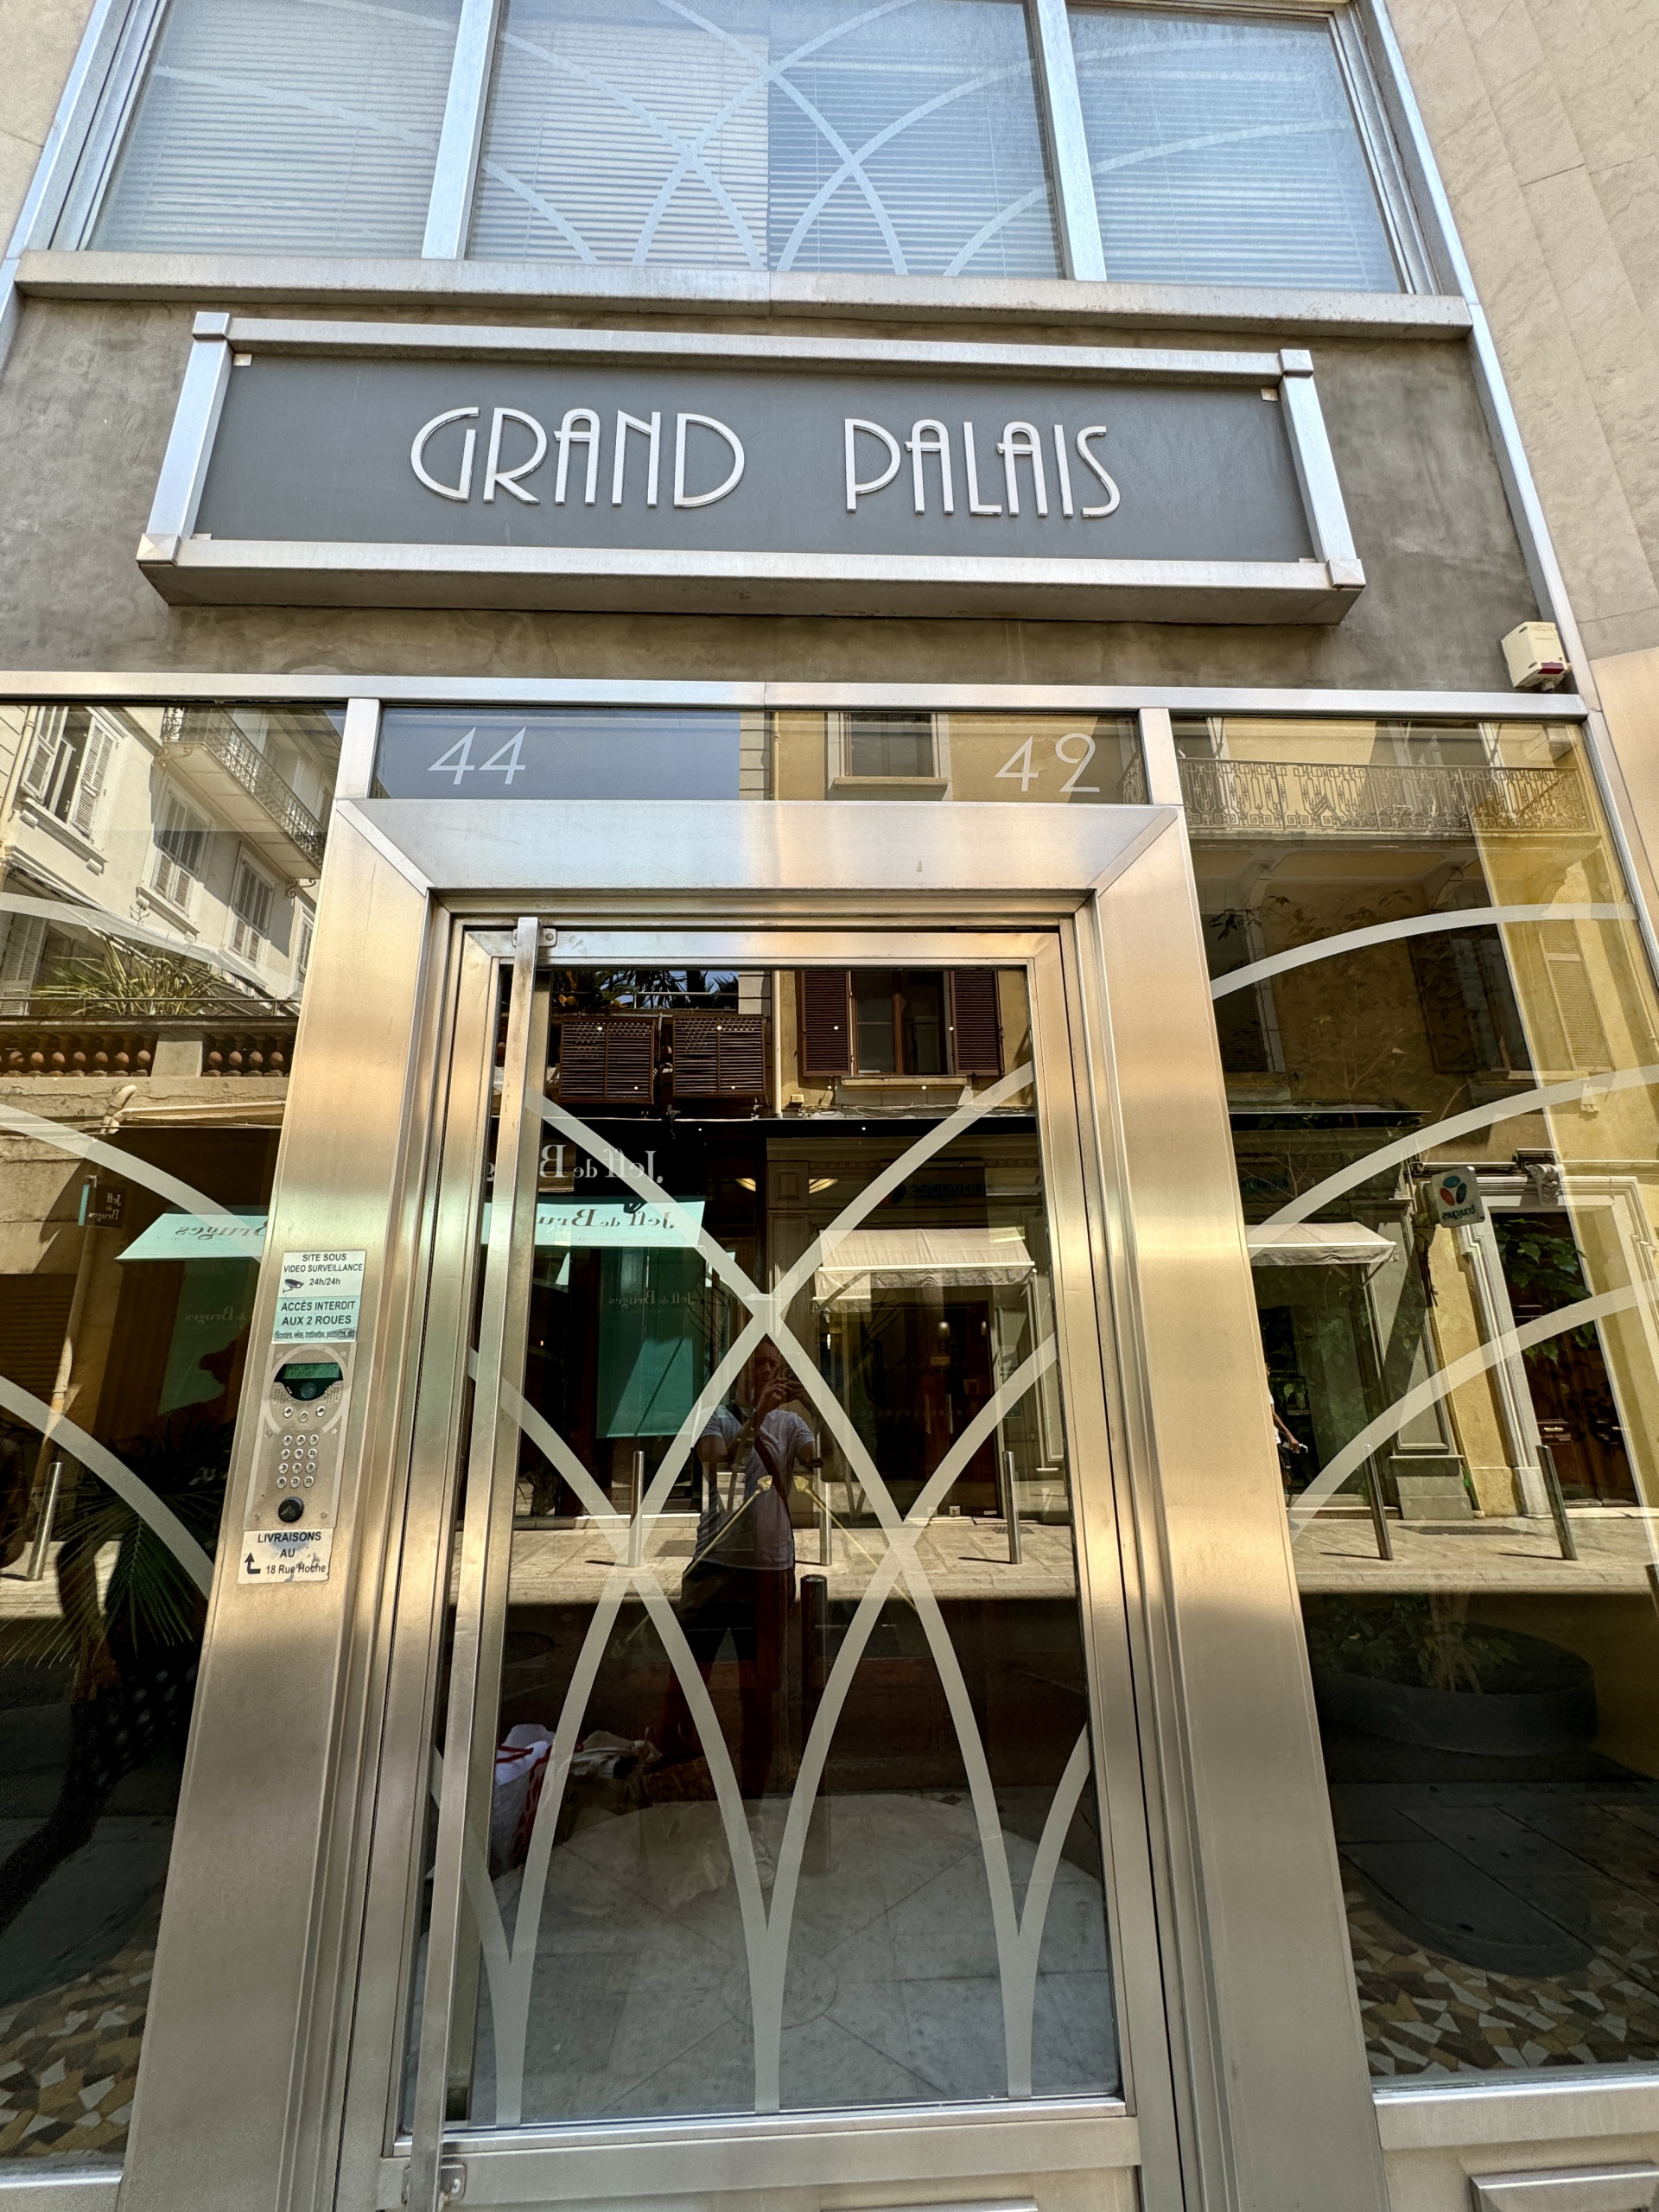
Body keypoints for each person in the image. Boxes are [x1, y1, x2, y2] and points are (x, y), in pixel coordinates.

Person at [652, 1342, 815, 1851]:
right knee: (687, 1680)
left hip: (768, 1568)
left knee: (760, 1693)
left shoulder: (790, 1424)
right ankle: (677, 1784)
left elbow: (819, 1461)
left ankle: (752, 1810)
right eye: (756, 1364)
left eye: (772, 1366)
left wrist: (815, 1405)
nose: (764, 1372)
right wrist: (756, 1418)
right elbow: (717, 1470)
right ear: (739, 1371)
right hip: (717, 1566)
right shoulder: (716, 1416)